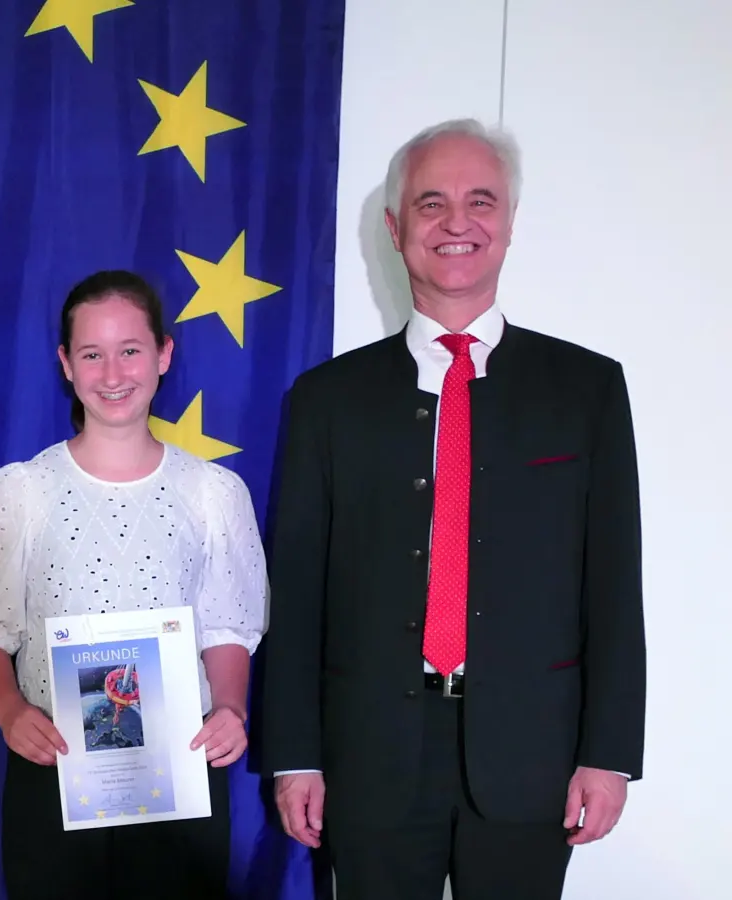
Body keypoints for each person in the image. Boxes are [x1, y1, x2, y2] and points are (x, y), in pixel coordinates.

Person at [260, 118, 646, 900]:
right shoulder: (326, 400)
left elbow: (613, 584)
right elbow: (297, 592)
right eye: (431, 203)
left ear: (510, 222)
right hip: (369, 754)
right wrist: (296, 755)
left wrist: (608, 753)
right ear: (395, 228)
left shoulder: (587, 391)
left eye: (481, 201)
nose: (456, 222)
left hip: (532, 754)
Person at [0, 271, 268, 899]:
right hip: (56, 767)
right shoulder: (20, 492)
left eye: (130, 350)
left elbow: (227, 624)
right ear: (66, 364)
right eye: (92, 354)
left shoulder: (214, 493)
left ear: (164, 354)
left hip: (181, 768)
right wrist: (10, 711)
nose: (113, 373)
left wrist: (230, 707)